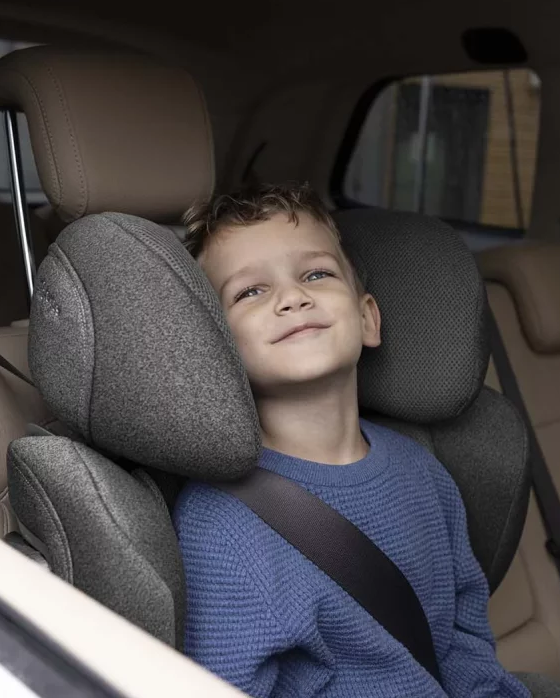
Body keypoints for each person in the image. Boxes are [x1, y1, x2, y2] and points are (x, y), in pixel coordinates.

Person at [173, 183, 530, 698]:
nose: (292, 297)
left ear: (367, 318)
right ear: (218, 348)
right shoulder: (221, 527)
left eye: (316, 274)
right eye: (250, 291)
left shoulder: (424, 472)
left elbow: (461, 643)